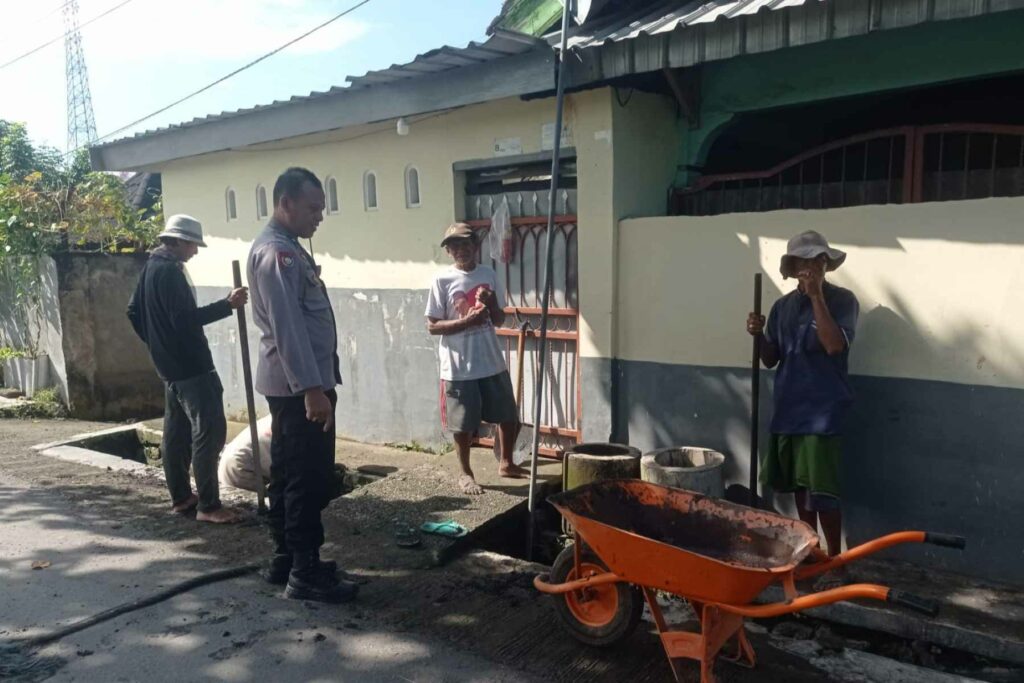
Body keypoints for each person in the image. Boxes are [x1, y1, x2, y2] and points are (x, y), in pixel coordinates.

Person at [247, 167, 358, 604]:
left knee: (290, 472)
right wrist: (313, 389)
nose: (319, 217)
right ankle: (305, 572)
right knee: (307, 477)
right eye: (313, 208)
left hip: (294, 383)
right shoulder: (280, 254)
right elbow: (288, 326)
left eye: (322, 209)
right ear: (285, 204)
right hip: (300, 388)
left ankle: (287, 558)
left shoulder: (287, 248)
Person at [747, 230, 859, 579]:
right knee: (799, 488)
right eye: (805, 261)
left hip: (823, 412)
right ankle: (811, 552)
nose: (812, 267)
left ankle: (836, 562)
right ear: (793, 267)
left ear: (826, 265)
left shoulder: (842, 301)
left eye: (818, 260)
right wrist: (758, 335)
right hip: (789, 409)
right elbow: (770, 359)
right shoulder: (782, 308)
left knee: (822, 491)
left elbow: (834, 346)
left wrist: (816, 299)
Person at [126, 214, 247, 524]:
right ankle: (209, 506)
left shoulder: (151, 267)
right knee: (209, 432)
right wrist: (227, 305)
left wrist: (157, 346)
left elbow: (133, 312)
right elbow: (185, 320)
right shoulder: (170, 272)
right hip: (192, 367)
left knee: (176, 433)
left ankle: (182, 498)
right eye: (193, 244)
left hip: (169, 367)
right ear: (178, 241)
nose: (195, 251)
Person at [425, 222, 528, 495]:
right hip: (458, 367)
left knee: (507, 414)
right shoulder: (442, 280)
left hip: (490, 360)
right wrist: (466, 321)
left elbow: (498, 319)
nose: (461, 250)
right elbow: (432, 326)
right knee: (463, 424)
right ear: (448, 251)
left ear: (476, 247)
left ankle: (506, 463)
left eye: (466, 244)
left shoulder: (488, 274)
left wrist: (492, 303)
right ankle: (465, 474)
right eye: (455, 246)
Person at [218, 415, 347, 499]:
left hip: (233, 461)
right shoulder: (295, 429)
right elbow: (295, 469)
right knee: (278, 503)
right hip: (239, 469)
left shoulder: (283, 416)